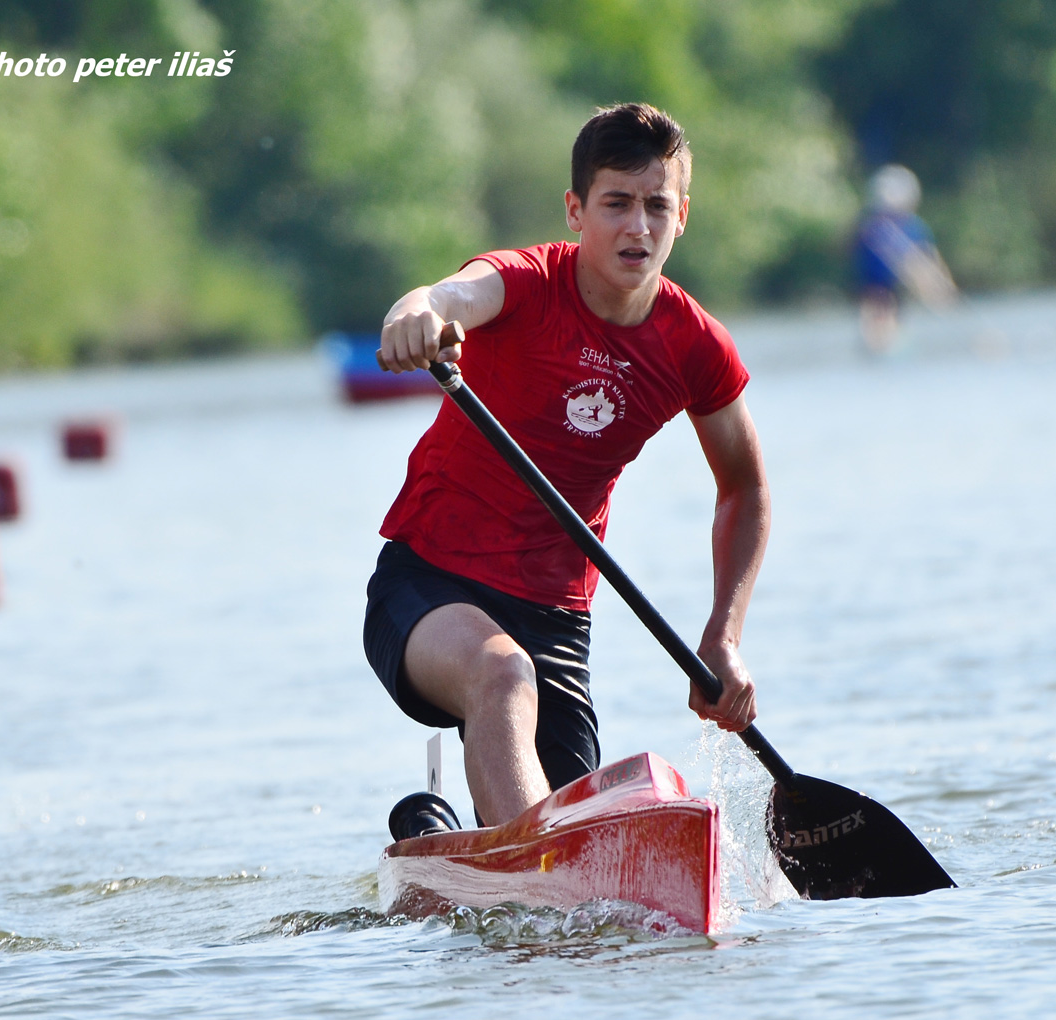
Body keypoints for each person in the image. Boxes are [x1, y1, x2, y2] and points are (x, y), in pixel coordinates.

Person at [366, 102, 770, 829]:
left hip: (556, 618)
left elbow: (744, 487)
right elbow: (448, 295)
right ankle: (528, 871)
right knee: (501, 673)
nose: (638, 227)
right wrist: (416, 314)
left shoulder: (696, 345)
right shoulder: (524, 282)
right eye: (616, 203)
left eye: (657, 205)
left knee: (582, 813)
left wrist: (723, 637)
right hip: (427, 584)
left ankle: (468, 840)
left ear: (685, 215)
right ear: (576, 210)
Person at [853, 164, 957, 355]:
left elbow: (930, 258)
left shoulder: (913, 227)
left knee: (891, 317)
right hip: (873, 287)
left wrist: (941, 286)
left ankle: (888, 343)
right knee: (875, 313)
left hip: (895, 290)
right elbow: (848, 246)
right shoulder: (871, 227)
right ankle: (876, 345)